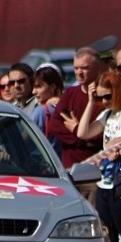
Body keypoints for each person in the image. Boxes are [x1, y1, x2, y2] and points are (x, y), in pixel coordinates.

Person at [76, 71, 121, 242]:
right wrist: (91, 102)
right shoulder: (107, 114)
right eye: (101, 97)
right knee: (109, 231)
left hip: (120, 179)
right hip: (104, 181)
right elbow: (82, 133)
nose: (105, 101)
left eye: (108, 96)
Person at [48, 47, 105, 204]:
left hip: (95, 176)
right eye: (76, 68)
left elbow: (106, 133)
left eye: (85, 68)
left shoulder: (105, 98)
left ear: (98, 69)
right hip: (69, 173)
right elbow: (55, 125)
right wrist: (82, 138)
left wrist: (76, 128)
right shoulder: (70, 94)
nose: (79, 73)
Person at [31, 66, 64, 158]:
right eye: (33, 87)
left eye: (38, 86)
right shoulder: (67, 107)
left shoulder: (41, 111)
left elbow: (23, 139)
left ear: (52, 87)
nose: (34, 92)